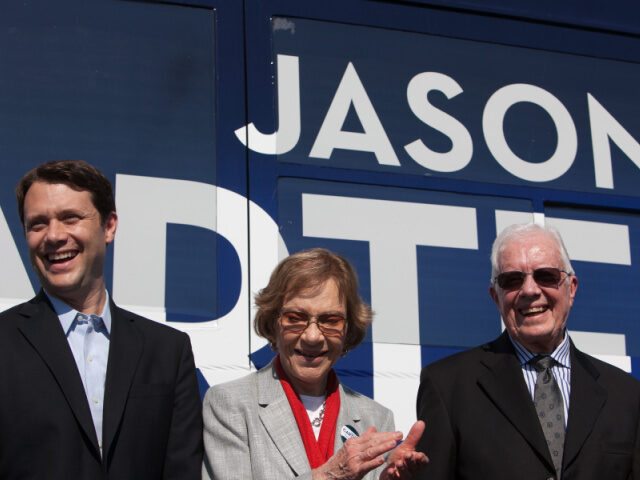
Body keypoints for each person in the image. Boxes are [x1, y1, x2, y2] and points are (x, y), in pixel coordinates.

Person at [0, 160, 203, 479]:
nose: (53, 236)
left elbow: (182, 470)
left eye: (70, 218)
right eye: (37, 224)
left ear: (109, 226)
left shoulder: (167, 350)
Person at [415, 222, 640, 479]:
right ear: (495, 297)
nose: (530, 290)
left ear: (572, 288)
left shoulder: (627, 396)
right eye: (512, 280)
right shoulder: (448, 386)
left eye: (546, 276)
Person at [202, 248, 428, 479]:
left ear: (348, 329)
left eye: (330, 320)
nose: (312, 336)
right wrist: (328, 476)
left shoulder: (376, 417)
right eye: (295, 318)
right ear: (273, 321)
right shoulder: (230, 404)